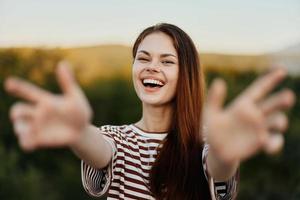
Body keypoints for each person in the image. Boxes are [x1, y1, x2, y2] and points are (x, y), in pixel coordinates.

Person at [4, 23, 295, 200]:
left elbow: (217, 164)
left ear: (186, 75)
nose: (152, 66)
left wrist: (227, 152)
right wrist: (76, 132)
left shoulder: (207, 143)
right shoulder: (117, 139)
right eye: (143, 58)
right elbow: (98, 148)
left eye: (167, 61)